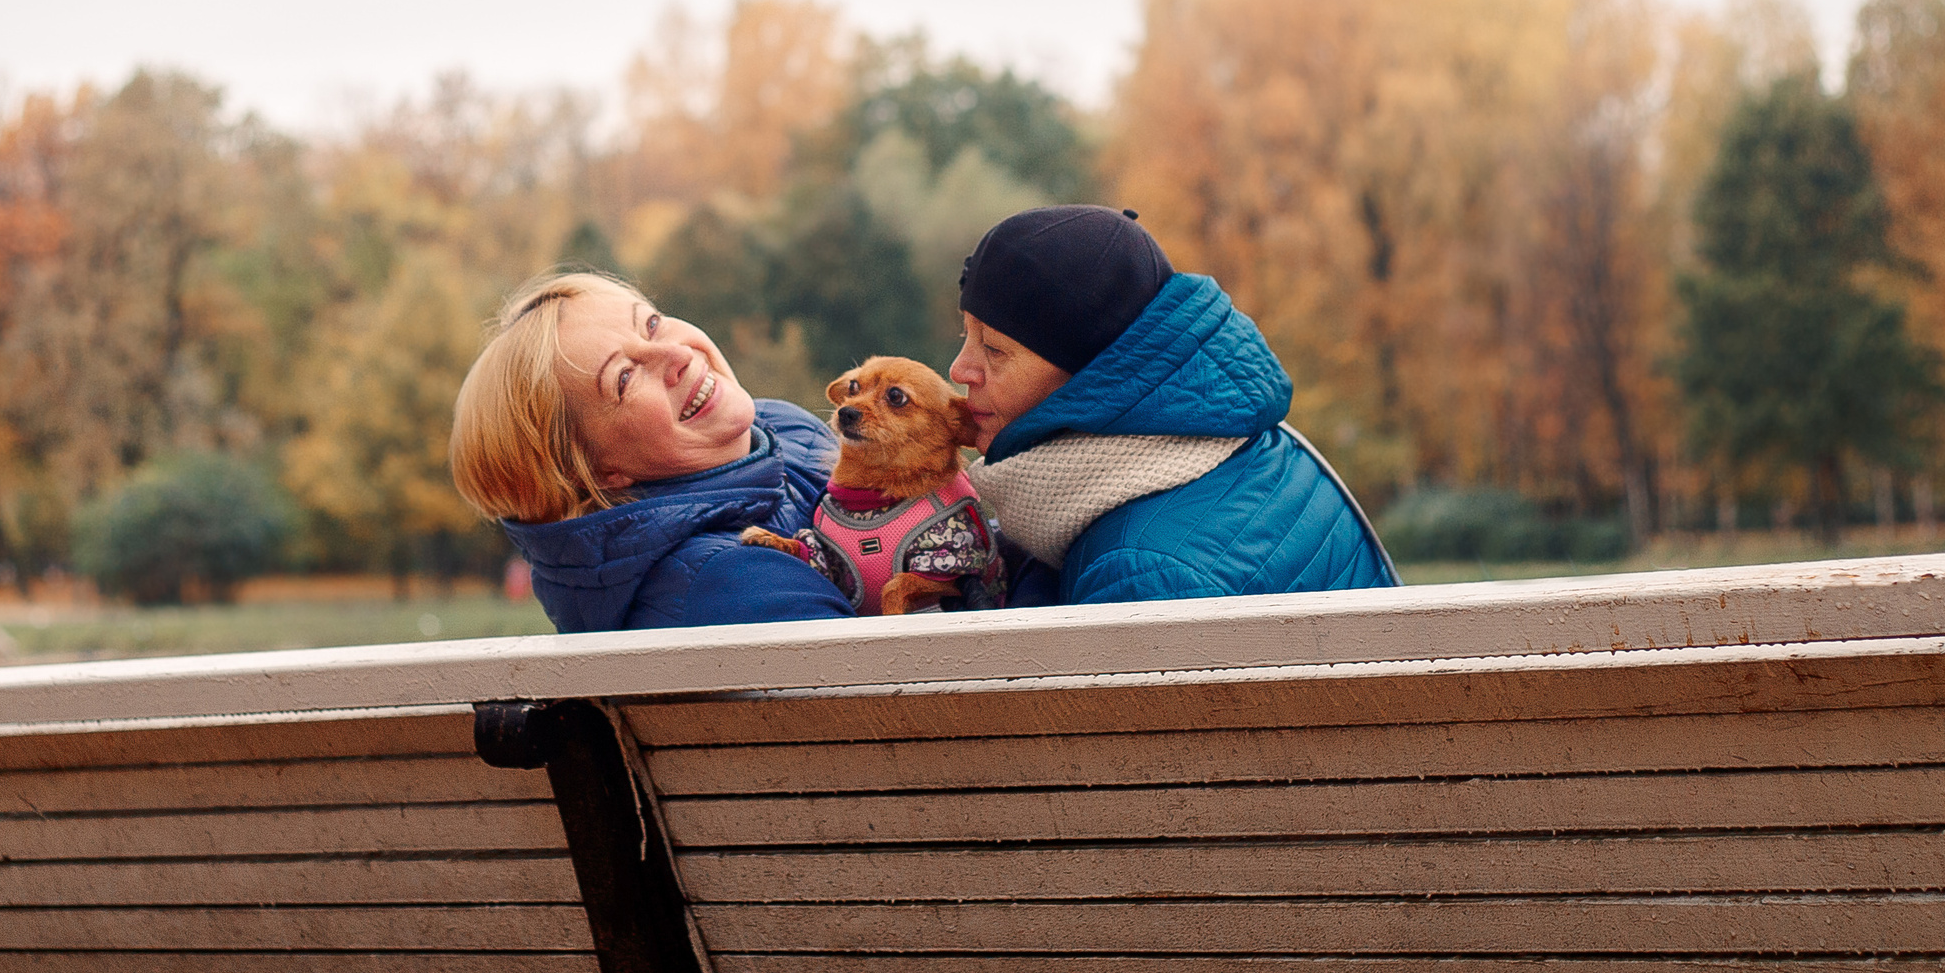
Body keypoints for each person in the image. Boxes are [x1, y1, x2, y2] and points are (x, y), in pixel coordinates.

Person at [951, 205, 1400, 605]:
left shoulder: (1143, 577)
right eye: (965, 335)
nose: (959, 369)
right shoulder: (1245, 444)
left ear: (1091, 372)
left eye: (994, 348)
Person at [450, 271, 855, 633]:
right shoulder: (727, 585)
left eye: (651, 323)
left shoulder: (784, 427)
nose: (678, 354)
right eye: (624, 378)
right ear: (598, 473)